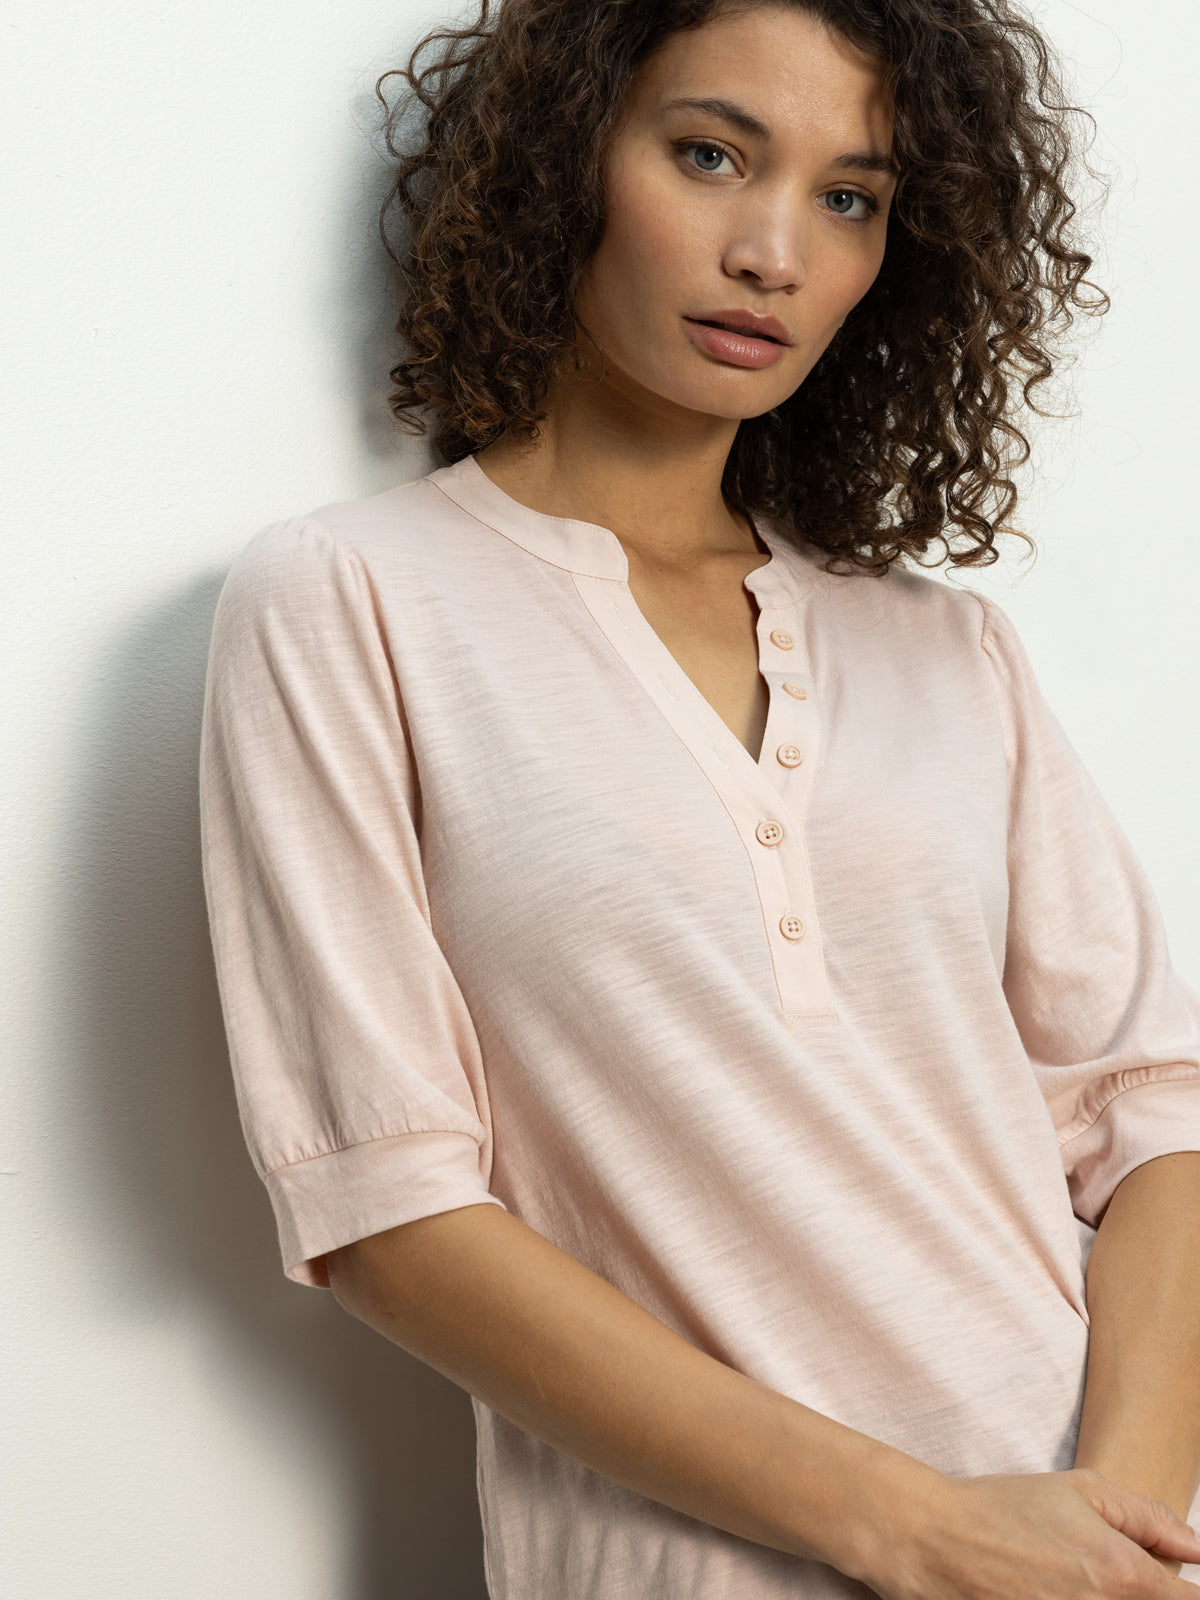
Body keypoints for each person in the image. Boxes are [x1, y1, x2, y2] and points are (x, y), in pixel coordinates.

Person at [198, 0, 1200, 1596]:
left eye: (849, 197)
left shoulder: (946, 649)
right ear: (565, 165)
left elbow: (1156, 1116)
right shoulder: (356, 601)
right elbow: (389, 1210)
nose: (774, 252)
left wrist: (1125, 1524)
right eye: (712, 154)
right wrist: (925, 1533)